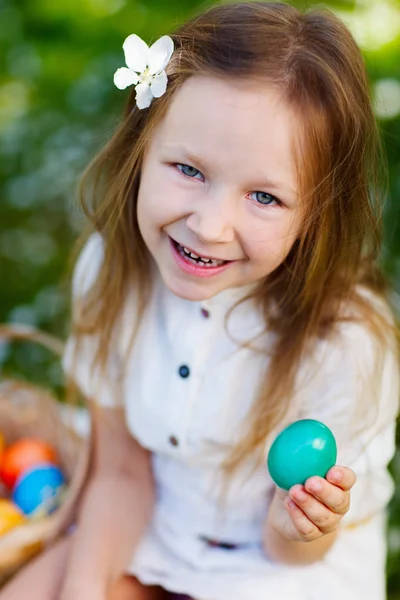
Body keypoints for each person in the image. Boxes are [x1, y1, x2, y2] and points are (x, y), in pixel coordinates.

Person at [1, 2, 399, 599]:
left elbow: (292, 554)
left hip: (281, 571)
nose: (210, 226)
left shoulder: (344, 344)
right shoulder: (112, 274)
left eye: (264, 197)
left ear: (315, 213)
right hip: (155, 524)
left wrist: (297, 523)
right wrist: (83, 586)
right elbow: (121, 473)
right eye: (188, 168)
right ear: (142, 148)